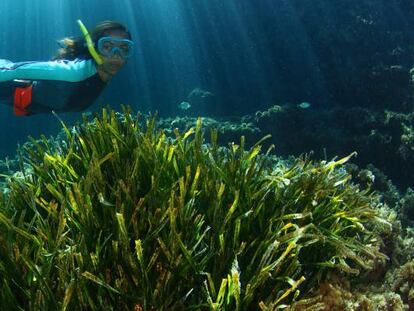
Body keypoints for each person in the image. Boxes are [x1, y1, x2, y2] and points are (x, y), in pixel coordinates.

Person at [0, 20, 134, 116]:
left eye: (124, 48)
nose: (116, 56)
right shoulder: (74, 73)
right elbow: (15, 70)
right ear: (93, 48)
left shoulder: (102, 73)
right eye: (107, 47)